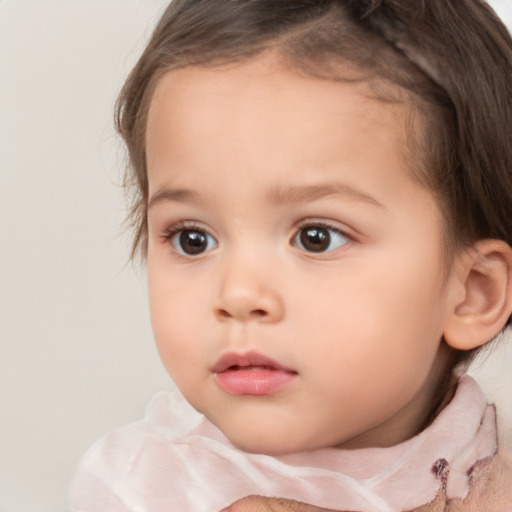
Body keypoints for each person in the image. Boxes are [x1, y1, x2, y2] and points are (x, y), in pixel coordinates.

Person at [68, 1, 512, 510]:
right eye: (194, 239)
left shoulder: (493, 474)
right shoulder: (141, 489)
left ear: (474, 292)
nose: (237, 294)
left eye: (316, 237)